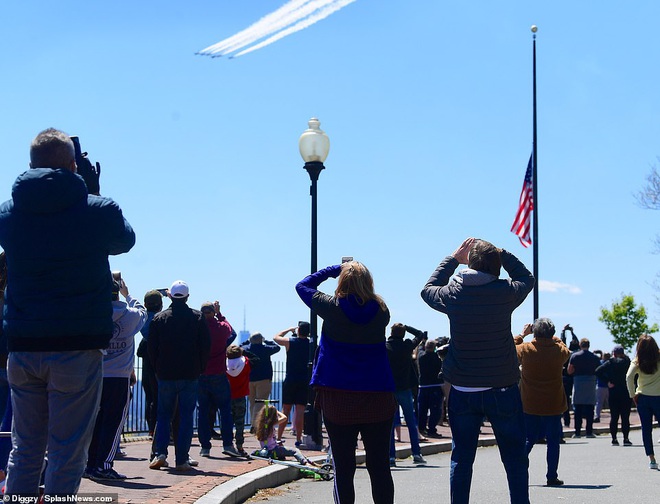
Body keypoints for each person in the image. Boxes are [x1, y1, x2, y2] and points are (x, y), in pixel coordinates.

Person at [0, 128, 135, 498]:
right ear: (74, 165)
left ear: (30, 165)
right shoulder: (97, 209)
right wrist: (90, 190)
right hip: (76, 347)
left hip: (24, 346)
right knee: (67, 450)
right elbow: (125, 240)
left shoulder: (7, 214)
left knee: (24, 448)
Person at [421, 237, 534, 504]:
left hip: (463, 387)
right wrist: (503, 253)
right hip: (502, 387)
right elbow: (527, 278)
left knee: (462, 458)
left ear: (469, 263)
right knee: (515, 458)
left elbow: (427, 290)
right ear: (496, 266)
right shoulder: (505, 292)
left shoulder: (453, 295)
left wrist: (451, 259)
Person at [296, 261, 397, 504]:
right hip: (378, 394)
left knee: (343, 466)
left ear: (342, 281)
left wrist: (334, 269)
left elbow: (302, 286)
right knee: (380, 465)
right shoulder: (381, 310)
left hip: (338, 394)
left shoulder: (332, 308)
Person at [85, 276, 147, 480]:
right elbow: (144, 312)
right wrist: (127, 294)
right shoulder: (131, 316)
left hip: (94, 375)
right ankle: (103, 466)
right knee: (113, 423)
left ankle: (89, 464)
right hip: (119, 377)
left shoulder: (93, 314)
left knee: (93, 422)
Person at [148, 280, 211, 471]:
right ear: (187, 297)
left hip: (166, 374)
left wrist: (158, 367)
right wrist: (200, 367)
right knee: (185, 416)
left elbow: (152, 348)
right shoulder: (197, 318)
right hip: (190, 374)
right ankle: (182, 458)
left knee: (164, 415)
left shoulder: (159, 318)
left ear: (170, 296)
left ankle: (160, 453)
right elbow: (205, 346)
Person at [514, 319, 570, 487]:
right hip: (553, 403)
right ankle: (551, 475)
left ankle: (517, 471)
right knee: (553, 441)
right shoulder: (559, 351)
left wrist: (523, 334)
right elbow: (565, 349)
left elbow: (509, 347)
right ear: (551, 333)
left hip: (529, 402)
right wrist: (555, 337)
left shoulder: (526, 349)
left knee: (528, 439)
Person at [197, 300, 239, 458]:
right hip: (219, 375)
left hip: (201, 375)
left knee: (203, 412)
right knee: (225, 412)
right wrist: (220, 313)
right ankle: (227, 444)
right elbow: (232, 332)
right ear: (213, 312)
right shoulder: (221, 329)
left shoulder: (197, 329)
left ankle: (205, 447)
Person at [386, 323, 428, 466]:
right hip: (405, 387)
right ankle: (416, 453)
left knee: (390, 424)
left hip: (390, 388)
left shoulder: (385, 347)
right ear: (403, 334)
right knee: (411, 422)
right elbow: (420, 334)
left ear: (391, 332)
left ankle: (391, 455)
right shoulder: (407, 346)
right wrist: (408, 327)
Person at [273, 321, 311, 446]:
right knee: (300, 411)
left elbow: (276, 338)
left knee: (286, 410)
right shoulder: (311, 345)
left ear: (299, 330)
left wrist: (289, 329)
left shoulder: (291, 342)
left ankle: (279, 437)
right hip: (304, 379)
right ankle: (299, 439)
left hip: (290, 379)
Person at [626, 334, 660, 469]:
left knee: (646, 429)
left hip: (643, 398)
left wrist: (632, 395)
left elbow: (629, 377)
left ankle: (652, 459)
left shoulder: (637, 361)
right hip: (658, 396)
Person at [137, 289, 165, 437]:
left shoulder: (142, 318)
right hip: (160, 364)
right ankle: (162, 429)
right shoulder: (162, 320)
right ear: (160, 305)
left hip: (147, 367)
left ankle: (151, 428)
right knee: (161, 397)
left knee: (150, 397)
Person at [241, 333, 281, 430]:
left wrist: (247, 342)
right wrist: (266, 341)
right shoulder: (265, 349)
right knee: (261, 402)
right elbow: (277, 347)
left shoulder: (246, 349)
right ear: (261, 340)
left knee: (252, 402)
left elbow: (240, 347)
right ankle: (256, 425)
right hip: (263, 379)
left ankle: (253, 423)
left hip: (249, 379)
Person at [226, 345, 259, 456]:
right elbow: (257, 359)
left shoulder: (224, 365)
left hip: (227, 397)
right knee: (239, 423)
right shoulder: (245, 364)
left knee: (227, 421)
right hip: (240, 397)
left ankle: (228, 444)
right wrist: (244, 351)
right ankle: (239, 445)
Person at [596, 344, 632, 446]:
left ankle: (614, 439)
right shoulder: (627, 362)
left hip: (614, 391)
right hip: (625, 391)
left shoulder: (610, 362)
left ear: (614, 354)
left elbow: (598, 371)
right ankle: (626, 438)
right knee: (625, 417)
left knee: (614, 416)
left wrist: (607, 381)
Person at [567, 337, 600, 438]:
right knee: (590, 408)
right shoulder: (594, 357)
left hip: (578, 381)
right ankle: (589, 432)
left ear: (580, 345)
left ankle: (577, 432)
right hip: (591, 382)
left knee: (578, 408)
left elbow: (569, 370)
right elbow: (599, 369)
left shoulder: (575, 356)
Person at [417, 339, 444, 438]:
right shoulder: (437, 358)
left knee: (422, 410)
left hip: (423, 386)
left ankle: (421, 428)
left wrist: (422, 341)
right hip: (435, 386)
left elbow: (419, 348)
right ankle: (432, 429)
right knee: (435, 410)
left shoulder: (421, 356)